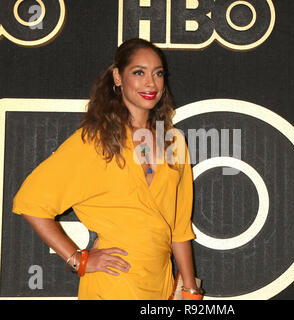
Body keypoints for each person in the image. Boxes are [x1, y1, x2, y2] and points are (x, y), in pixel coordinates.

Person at [12, 38, 203, 300]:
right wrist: (77, 259)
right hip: (112, 284)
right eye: (139, 72)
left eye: (158, 74)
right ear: (118, 77)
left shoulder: (174, 141)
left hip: (161, 285)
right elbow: (31, 202)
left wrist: (190, 289)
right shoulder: (94, 141)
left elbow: (179, 227)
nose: (151, 83)